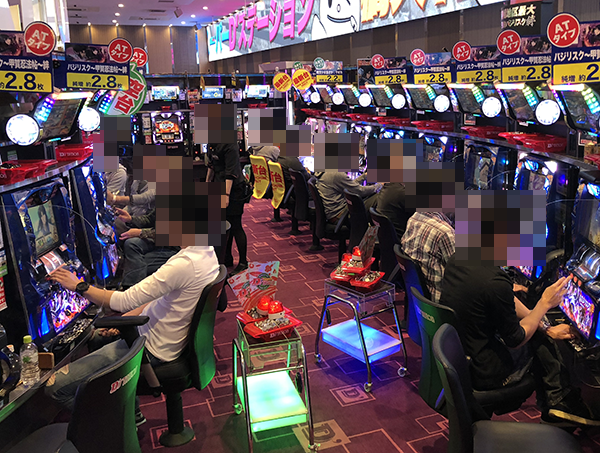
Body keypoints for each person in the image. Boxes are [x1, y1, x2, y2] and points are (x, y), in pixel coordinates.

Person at [45, 246, 220, 415]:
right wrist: (127, 318)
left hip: (150, 348)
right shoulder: (206, 252)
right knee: (95, 339)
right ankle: (131, 410)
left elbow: (122, 301)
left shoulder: (184, 264)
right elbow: (162, 297)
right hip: (158, 334)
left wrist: (80, 286)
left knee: (56, 388)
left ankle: (115, 424)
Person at [439, 255, 600, 426]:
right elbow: (516, 340)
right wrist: (544, 304)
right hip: (484, 372)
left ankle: (557, 406)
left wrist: (543, 324)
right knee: (538, 339)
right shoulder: (495, 281)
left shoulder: (460, 258)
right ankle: (560, 401)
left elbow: (504, 298)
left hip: (461, 355)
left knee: (537, 329)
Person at [206, 143, 249, 275]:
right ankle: (227, 257)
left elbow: (231, 173)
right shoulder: (212, 143)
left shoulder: (230, 145)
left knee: (235, 225)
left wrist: (226, 195)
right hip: (219, 185)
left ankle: (243, 262)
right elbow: (211, 165)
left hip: (234, 189)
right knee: (224, 224)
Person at [116, 207, 180, 289]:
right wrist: (130, 219)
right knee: (131, 244)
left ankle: (134, 291)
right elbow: (149, 219)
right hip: (158, 242)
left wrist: (141, 232)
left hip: (175, 249)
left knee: (135, 266)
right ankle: (130, 286)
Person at [401, 211, 455, 303]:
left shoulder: (415, 217)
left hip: (420, 301)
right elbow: (465, 275)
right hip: (441, 304)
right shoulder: (445, 233)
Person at [316, 172, 381, 225]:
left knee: (371, 196)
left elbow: (349, 186)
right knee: (379, 197)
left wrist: (364, 176)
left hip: (336, 213)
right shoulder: (336, 174)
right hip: (341, 216)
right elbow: (360, 191)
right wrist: (380, 185)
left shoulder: (329, 172)